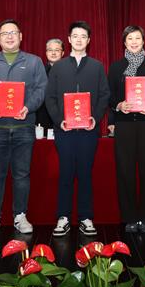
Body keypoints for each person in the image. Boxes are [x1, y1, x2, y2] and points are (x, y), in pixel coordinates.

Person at [0, 19, 47, 235]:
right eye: (5, 33)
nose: (9, 36)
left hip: (24, 125)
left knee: (22, 174)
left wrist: (28, 107)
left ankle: (20, 215)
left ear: (21, 36)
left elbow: (41, 88)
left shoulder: (34, 62)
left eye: (13, 32)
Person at [45, 22, 109, 237]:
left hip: (88, 130)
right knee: (65, 172)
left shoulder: (97, 66)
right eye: (75, 36)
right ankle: (63, 217)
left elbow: (104, 95)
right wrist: (59, 120)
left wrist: (95, 118)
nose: (79, 39)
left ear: (88, 40)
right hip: (64, 130)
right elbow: (50, 97)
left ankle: (85, 217)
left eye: (83, 36)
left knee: (85, 174)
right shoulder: (59, 67)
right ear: (69, 39)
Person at [108, 25, 145, 233]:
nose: (134, 42)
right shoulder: (116, 67)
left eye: (137, 38)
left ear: (143, 41)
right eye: (130, 38)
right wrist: (118, 106)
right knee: (125, 171)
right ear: (124, 42)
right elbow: (109, 95)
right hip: (124, 125)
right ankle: (129, 217)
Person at [36, 38, 64, 129]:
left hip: (63, 115)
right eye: (50, 50)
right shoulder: (39, 71)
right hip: (43, 114)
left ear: (62, 53)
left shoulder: (69, 71)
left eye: (57, 50)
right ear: (46, 53)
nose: (53, 53)